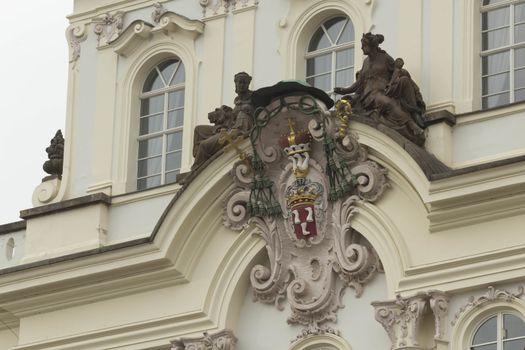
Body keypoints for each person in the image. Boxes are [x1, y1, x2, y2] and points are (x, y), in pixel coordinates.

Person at [334, 33, 425, 144]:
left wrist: (396, 76)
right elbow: (359, 83)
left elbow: (397, 72)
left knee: (405, 80)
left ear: (371, 46)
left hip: (387, 89)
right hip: (371, 94)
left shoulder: (385, 58)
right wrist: (345, 90)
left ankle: (414, 111)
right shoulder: (366, 62)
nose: (361, 47)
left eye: (363, 45)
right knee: (388, 102)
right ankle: (412, 125)